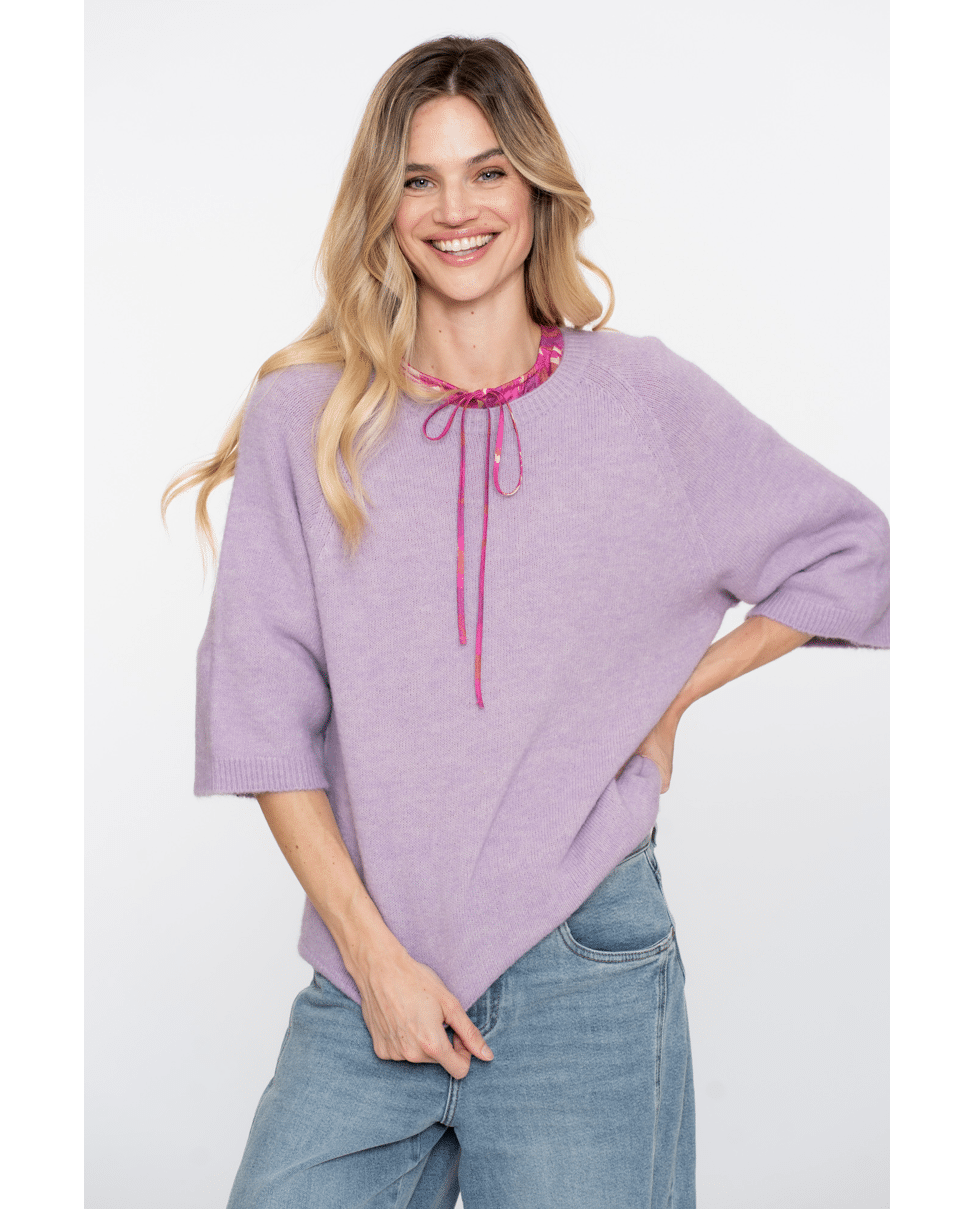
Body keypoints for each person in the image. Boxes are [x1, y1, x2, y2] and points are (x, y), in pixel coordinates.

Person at [163, 35, 889, 1209]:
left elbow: (860, 556)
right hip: (365, 976)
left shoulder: (639, 397)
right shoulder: (306, 417)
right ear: (383, 205)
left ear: (536, 188)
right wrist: (375, 962)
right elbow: (261, 718)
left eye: (488, 171)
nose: (456, 209)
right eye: (419, 178)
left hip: (585, 973)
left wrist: (674, 696)